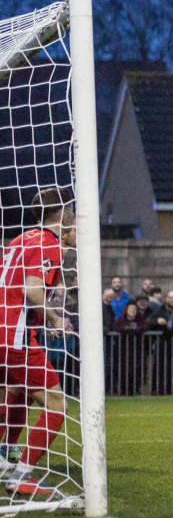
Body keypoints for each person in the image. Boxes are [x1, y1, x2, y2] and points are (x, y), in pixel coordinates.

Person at [0, 190, 76, 497]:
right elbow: (32, 290)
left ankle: (8, 454)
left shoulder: (22, 239)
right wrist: (57, 319)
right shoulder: (49, 243)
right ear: (60, 213)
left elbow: (19, 286)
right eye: (70, 209)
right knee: (58, 404)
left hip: (4, 330)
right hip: (14, 336)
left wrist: (51, 302)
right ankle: (21, 474)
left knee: (19, 392)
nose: (73, 214)